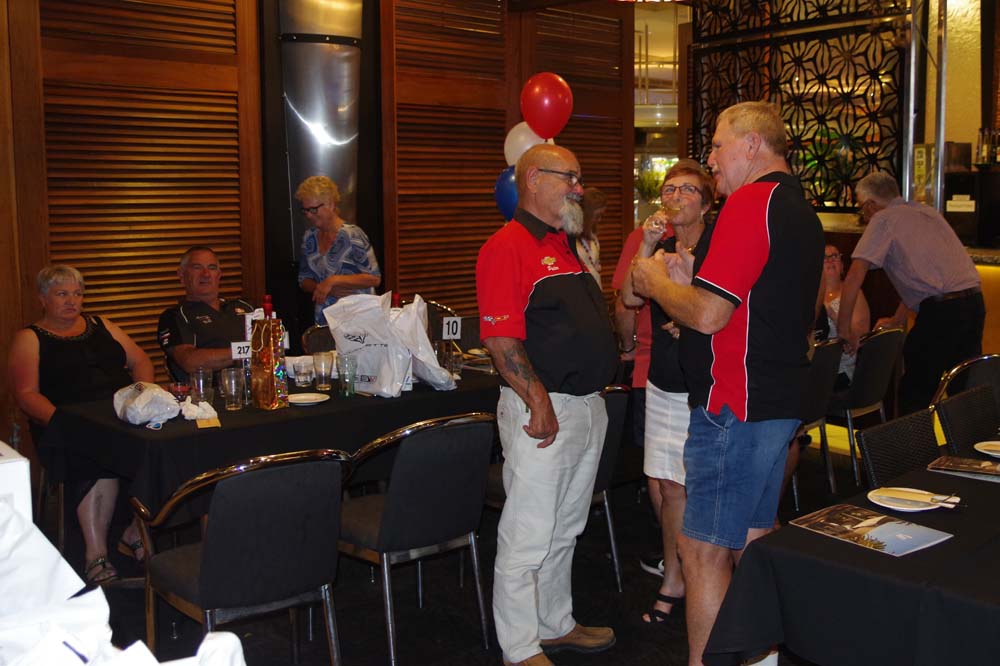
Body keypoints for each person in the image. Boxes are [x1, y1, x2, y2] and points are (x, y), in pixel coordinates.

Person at [631, 101, 824, 666]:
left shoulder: (750, 203)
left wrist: (654, 281)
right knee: (753, 540)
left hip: (733, 405)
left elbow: (711, 316)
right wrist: (690, 282)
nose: (711, 159)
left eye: (717, 145)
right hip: (777, 402)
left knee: (702, 548)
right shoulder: (799, 208)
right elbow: (757, 305)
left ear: (752, 144)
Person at [477, 144, 619, 666]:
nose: (578, 188)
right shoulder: (506, 245)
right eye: (569, 178)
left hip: (585, 405)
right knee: (529, 533)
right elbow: (500, 339)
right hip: (544, 408)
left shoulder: (565, 244)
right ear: (534, 178)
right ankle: (519, 647)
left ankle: (554, 623)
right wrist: (537, 400)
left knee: (566, 528)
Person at [8, 265, 155, 585]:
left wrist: (141, 396)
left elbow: (141, 360)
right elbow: (26, 395)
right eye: (62, 294)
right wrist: (65, 424)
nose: (72, 301)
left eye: (77, 294)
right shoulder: (29, 338)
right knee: (96, 454)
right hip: (63, 425)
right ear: (42, 299)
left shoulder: (102, 324)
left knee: (161, 447)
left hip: (119, 418)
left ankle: (134, 531)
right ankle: (95, 555)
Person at [619, 159, 715, 626]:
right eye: (670, 190)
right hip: (663, 380)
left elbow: (721, 311)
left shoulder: (718, 248)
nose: (676, 197)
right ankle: (674, 577)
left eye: (688, 190)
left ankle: (708, 572)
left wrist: (688, 316)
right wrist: (647, 243)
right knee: (668, 486)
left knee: (700, 484)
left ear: (707, 203)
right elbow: (630, 298)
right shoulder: (658, 250)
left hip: (705, 383)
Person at [838, 171, 985, 414]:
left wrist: (844, 330)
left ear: (871, 204)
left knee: (915, 392)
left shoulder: (883, 219)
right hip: (973, 305)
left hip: (942, 314)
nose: (863, 215)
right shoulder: (927, 212)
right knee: (963, 389)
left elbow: (854, 275)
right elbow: (924, 280)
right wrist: (897, 319)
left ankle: (914, 440)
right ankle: (968, 438)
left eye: (861, 207)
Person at [157, 246, 254, 383]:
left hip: (257, 385)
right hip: (211, 392)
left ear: (219, 275)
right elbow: (190, 362)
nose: (206, 274)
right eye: (197, 267)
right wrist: (247, 351)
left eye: (212, 268)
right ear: (182, 276)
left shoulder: (245, 307)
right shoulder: (175, 316)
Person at [294, 176, 381, 324]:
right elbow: (303, 280)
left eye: (313, 209)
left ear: (331, 204)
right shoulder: (309, 237)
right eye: (305, 210)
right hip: (325, 319)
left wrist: (333, 280)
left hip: (360, 320)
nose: (308, 215)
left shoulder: (352, 235)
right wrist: (322, 288)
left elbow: (374, 278)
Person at [820, 244, 869, 390]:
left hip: (840, 371)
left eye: (834, 256)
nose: (830, 260)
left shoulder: (854, 294)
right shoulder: (809, 296)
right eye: (824, 257)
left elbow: (859, 339)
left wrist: (831, 313)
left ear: (842, 266)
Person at [578, 187, 606, 286]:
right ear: (586, 214)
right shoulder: (571, 238)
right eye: (597, 216)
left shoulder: (592, 235)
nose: (599, 220)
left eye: (602, 215)